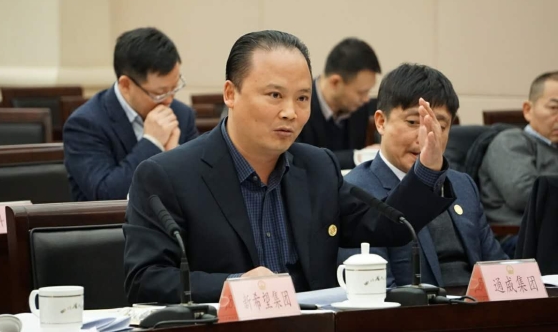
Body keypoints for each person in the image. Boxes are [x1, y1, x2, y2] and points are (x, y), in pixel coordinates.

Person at [123, 30, 457, 304]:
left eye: (302, 98)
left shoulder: (317, 167)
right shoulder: (168, 175)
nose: (290, 112)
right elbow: (146, 280)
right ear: (230, 94)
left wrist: (428, 168)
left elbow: (390, 226)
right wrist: (235, 285)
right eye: (274, 95)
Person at [343, 64, 507, 288]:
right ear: (381, 122)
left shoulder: (462, 185)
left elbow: (498, 270)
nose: (426, 138)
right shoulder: (356, 191)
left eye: (439, 126)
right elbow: (375, 292)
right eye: (413, 122)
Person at [63, 27, 198, 201]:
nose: (169, 100)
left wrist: (175, 157)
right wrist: (152, 142)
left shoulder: (182, 115)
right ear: (126, 85)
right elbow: (106, 194)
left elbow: (201, 187)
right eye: (160, 93)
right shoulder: (84, 124)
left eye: (174, 88)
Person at [479, 71, 558, 257]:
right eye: (554, 108)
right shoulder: (510, 141)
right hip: (518, 238)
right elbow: (524, 194)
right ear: (528, 110)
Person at [297, 38, 381, 169]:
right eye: (361, 92)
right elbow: (300, 160)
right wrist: (356, 157)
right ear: (335, 82)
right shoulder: (299, 105)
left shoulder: (359, 108)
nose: (366, 99)